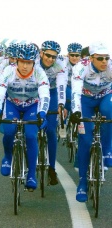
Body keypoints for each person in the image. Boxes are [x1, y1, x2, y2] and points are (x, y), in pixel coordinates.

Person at [0, 44, 50, 190]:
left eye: (29, 63)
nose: (25, 66)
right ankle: (7, 157)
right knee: (10, 131)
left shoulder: (40, 73)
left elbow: (44, 95)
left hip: (31, 106)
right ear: (17, 61)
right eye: (22, 61)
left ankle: (31, 174)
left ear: (34, 63)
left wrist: (42, 113)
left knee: (30, 136)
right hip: (12, 105)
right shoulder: (7, 71)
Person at [70, 41, 112, 202]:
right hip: (85, 100)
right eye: (100, 58)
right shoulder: (81, 67)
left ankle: (108, 149)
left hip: (105, 97)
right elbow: (75, 92)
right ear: (92, 58)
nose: (104, 62)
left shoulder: (110, 66)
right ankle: (82, 183)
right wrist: (76, 111)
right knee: (86, 140)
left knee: (109, 111)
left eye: (106, 58)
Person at [38, 40, 68, 185]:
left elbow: (61, 86)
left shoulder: (59, 65)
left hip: (52, 93)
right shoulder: (34, 63)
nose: (50, 59)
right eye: (48, 55)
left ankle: (52, 168)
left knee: (51, 131)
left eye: (53, 57)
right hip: (35, 93)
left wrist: (61, 104)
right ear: (41, 53)